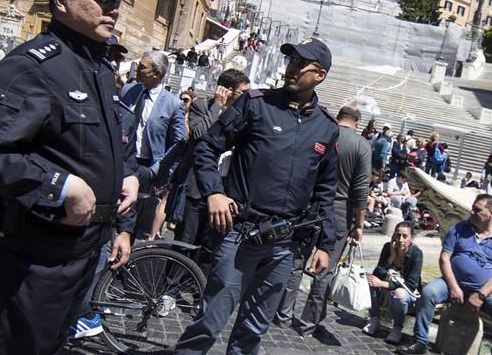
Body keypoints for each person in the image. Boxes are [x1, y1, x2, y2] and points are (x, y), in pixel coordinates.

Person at [0, 0, 140, 354]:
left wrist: (126, 179)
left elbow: (97, 147)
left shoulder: (100, 69)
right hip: (36, 252)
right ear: (61, 1)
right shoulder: (33, 65)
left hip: (86, 248)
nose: (113, 5)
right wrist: (58, 185)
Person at [174, 37, 340, 354]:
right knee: (211, 319)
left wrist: (325, 244)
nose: (291, 68)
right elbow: (208, 147)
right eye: (290, 61)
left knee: (253, 330)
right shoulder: (255, 103)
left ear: (319, 74)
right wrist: (214, 193)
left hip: (284, 243)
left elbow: (325, 190)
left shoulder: (327, 128)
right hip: (240, 232)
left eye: (299, 64)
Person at [276, 105, 371, 335]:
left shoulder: (325, 132)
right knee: (324, 269)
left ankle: (283, 314)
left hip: (310, 204)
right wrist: (359, 225)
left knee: (297, 260)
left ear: (339, 118)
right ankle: (309, 323)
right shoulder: (362, 145)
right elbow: (360, 189)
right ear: (357, 123)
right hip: (340, 211)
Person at [398, 195, 492, 355]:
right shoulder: (459, 229)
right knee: (428, 292)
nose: (472, 212)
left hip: (484, 290)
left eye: (477, 210)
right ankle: (420, 342)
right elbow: (444, 258)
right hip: (452, 283)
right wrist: (453, 286)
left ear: (491, 213)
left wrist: (481, 295)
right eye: (473, 207)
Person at [174, 69, 249, 247]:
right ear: (227, 91)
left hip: (224, 191)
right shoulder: (201, 106)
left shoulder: (244, 115)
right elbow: (199, 135)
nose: (246, 97)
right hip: (196, 187)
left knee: (209, 246)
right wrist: (217, 107)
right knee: (186, 241)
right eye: (243, 93)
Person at [120, 51, 187, 238]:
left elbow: (179, 142)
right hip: (122, 160)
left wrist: (156, 169)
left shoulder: (173, 104)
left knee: (130, 216)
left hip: (145, 167)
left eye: (142, 67)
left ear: (156, 73)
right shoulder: (128, 91)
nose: (137, 70)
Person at [362, 221, 423, 344]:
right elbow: (377, 272)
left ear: (412, 238)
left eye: (405, 236)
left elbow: (411, 285)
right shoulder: (388, 248)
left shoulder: (416, 254)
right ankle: (374, 320)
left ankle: (397, 329)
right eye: (397, 235)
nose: (400, 240)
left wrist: (383, 284)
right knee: (371, 280)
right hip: (388, 289)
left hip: (408, 295)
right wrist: (392, 256)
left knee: (399, 293)